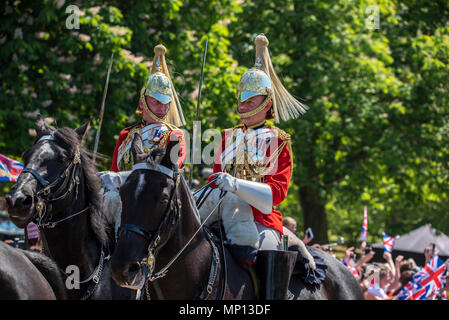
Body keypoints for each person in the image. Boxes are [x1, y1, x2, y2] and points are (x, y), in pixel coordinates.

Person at [204, 33, 318, 299]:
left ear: (267, 103)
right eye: (241, 100)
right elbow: (215, 177)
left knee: (267, 250)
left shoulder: (278, 140)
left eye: (250, 101)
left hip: (260, 220)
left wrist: (235, 184)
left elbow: (275, 194)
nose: (243, 106)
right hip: (221, 212)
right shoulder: (227, 136)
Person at [98, 44, 186, 234]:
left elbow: (169, 174)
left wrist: (118, 179)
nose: (162, 108)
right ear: (142, 102)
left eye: (165, 103)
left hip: (153, 203)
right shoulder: (125, 135)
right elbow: (115, 169)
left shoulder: (174, 135)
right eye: (156, 102)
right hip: (120, 199)